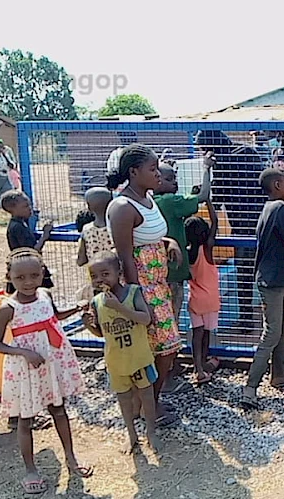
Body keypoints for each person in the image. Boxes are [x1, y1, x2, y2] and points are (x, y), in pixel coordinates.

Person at [0, 248, 92, 494]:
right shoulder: (8, 308)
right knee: (26, 420)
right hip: (27, 368)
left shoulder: (45, 294)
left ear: (42, 274)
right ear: (10, 277)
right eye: (20, 278)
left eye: (34, 276)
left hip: (50, 363)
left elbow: (54, 317)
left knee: (59, 409)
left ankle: (71, 457)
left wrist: (78, 309)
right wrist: (25, 353)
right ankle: (30, 469)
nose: (28, 282)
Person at [106, 143, 184, 426]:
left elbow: (149, 236)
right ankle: (147, 403)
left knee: (165, 348)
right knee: (164, 347)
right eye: (152, 170)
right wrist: (137, 299)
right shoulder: (123, 208)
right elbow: (126, 255)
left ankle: (150, 400)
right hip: (143, 289)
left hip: (159, 285)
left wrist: (169, 242)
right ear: (133, 172)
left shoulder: (147, 199)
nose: (158, 175)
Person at [81, 251, 162, 453]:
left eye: (105, 274)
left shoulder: (133, 292)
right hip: (116, 362)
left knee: (146, 395)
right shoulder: (97, 302)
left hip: (139, 358)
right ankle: (132, 434)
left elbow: (145, 319)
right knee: (123, 399)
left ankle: (151, 431)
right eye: (94, 276)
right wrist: (89, 326)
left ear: (118, 272)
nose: (100, 279)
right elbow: (101, 333)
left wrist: (119, 308)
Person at [242, 168, 284, 409]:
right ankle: (250, 388)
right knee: (272, 332)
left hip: (276, 276)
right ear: (278, 185)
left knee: (282, 327)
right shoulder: (279, 209)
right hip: (272, 280)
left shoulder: (270, 208)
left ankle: (278, 374)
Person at [153, 154, 213, 330]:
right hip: (173, 271)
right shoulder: (171, 201)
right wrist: (207, 168)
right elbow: (204, 195)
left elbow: (175, 219)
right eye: (169, 179)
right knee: (172, 318)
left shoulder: (153, 202)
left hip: (158, 271)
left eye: (175, 178)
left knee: (160, 317)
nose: (175, 183)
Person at [185, 201, 222, 385]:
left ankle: (198, 368)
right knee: (207, 333)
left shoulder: (187, 253)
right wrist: (207, 201)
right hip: (211, 299)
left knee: (196, 335)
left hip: (195, 299)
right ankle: (205, 362)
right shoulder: (206, 250)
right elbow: (215, 222)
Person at [1, 190, 54, 294]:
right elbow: (33, 250)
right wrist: (45, 235)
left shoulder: (21, 223)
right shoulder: (17, 227)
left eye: (29, 205)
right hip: (26, 268)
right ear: (12, 209)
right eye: (25, 206)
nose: (30, 208)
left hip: (25, 266)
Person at [76, 187, 114, 267]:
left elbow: (81, 261)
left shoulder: (86, 230)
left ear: (89, 207)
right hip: (117, 273)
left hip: (95, 273)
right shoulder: (117, 226)